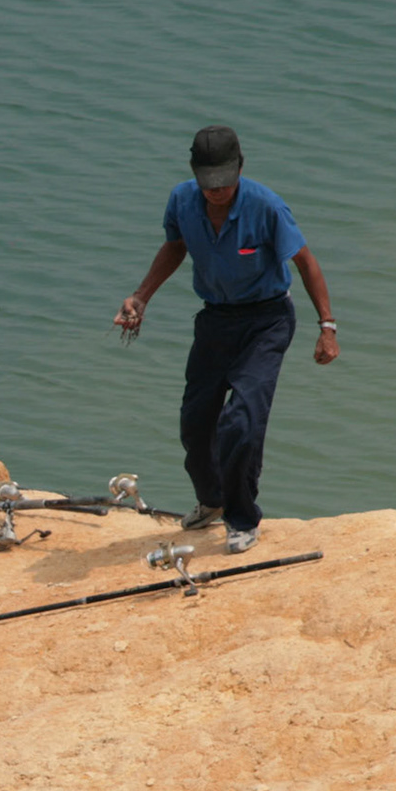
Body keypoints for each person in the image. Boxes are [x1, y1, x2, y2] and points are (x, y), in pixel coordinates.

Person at [114, 125, 338, 553]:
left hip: (266, 321)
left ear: (240, 168)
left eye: (225, 182)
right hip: (215, 321)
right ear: (195, 174)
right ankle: (212, 500)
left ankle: (242, 518)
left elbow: (306, 263)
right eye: (208, 183)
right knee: (195, 423)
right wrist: (141, 297)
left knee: (241, 421)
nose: (216, 191)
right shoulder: (182, 200)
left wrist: (327, 326)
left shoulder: (267, 206)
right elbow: (175, 247)